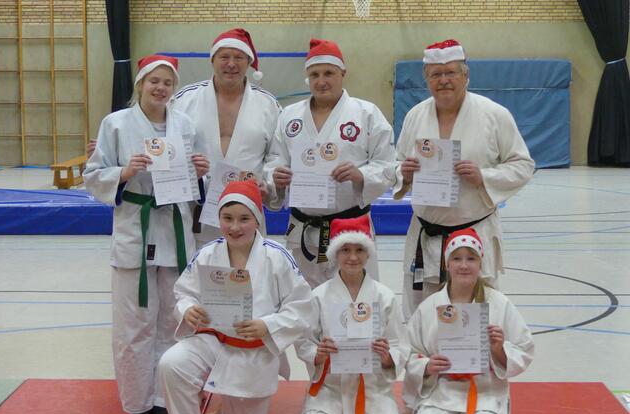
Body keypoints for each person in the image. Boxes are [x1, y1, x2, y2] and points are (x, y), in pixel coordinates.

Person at [84, 55, 208, 414]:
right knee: (133, 325)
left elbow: (198, 182)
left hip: (174, 229)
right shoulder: (116, 124)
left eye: (168, 83)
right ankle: (137, 401)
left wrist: (201, 173)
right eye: (154, 81)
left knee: (172, 321)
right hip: (134, 231)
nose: (160, 88)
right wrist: (124, 172)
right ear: (140, 84)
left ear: (174, 89)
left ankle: (162, 398)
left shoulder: (186, 125)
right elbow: (94, 174)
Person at [394, 39, 535, 321]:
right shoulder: (415, 116)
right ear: (426, 79)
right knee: (422, 318)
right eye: (436, 74)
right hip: (426, 236)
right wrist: (403, 173)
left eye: (451, 72)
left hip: (474, 235)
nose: (443, 80)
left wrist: (484, 177)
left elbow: (523, 165)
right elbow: (396, 164)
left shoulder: (494, 115)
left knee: (474, 320)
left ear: (465, 75)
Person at [159, 179, 313, 414]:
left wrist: (267, 325)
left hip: (255, 349)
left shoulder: (277, 257)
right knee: (172, 364)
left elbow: (301, 306)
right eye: (227, 218)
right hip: (213, 340)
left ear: (257, 220)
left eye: (244, 219)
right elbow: (184, 293)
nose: (234, 227)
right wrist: (188, 309)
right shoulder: (207, 254)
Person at [265, 38, 396, 288]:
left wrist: (361, 175)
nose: (321, 80)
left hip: (351, 229)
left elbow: (387, 165)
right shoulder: (289, 116)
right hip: (302, 229)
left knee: (354, 300)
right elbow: (275, 160)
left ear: (342, 74)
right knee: (303, 300)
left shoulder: (366, 113)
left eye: (328, 73)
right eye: (314, 74)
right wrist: (276, 177)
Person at [403, 228, 534, 414]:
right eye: (457, 259)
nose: (464, 265)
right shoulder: (430, 306)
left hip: (486, 395)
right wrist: (427, 366)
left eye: (471, 259)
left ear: (481, 263)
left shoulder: (499, 303)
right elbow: (410, 351)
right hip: (439, 395)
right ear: (447, 264)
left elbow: (524, 348)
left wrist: (499, 350)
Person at [295, 215, 409, 414]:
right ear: (335, 254)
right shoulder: (318, 296)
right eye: (345, 250)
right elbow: (304, 341)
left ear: (368, 253)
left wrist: (387, 357)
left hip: (375, 392)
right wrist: (318, 353)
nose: (353, 257)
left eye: (359, 250)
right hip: (329, 392)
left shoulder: (385, 296)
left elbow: (399, 345)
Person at [173, 28, 281, 245]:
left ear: (249, 62)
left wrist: (268, 186)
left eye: (239, 57)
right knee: (200, 264)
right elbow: (168, 146)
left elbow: (277, 154)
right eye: (224, 57)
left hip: (248, 207)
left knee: (249, 265)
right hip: (198, 208)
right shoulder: (184, 100)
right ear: (212, 60)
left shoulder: (268, 104)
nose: (231, 64)